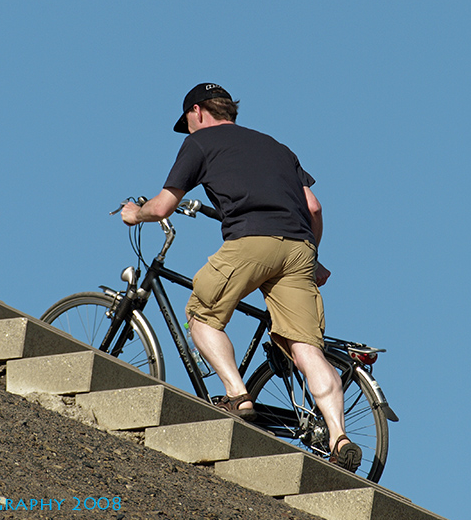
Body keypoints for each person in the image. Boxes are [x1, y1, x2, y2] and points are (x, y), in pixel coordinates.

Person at [120, 83, 361, 473]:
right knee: (305, 349)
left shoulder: (200, 144)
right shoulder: (277, 147)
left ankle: (237, 395)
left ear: (197, 111)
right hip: (300, 247)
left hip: (251, 240)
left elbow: (164, 205)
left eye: (188, 123)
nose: (190, 130)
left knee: (201, 316)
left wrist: (136, 212)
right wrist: (312, 256)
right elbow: (313, 206)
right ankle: (338, 436)